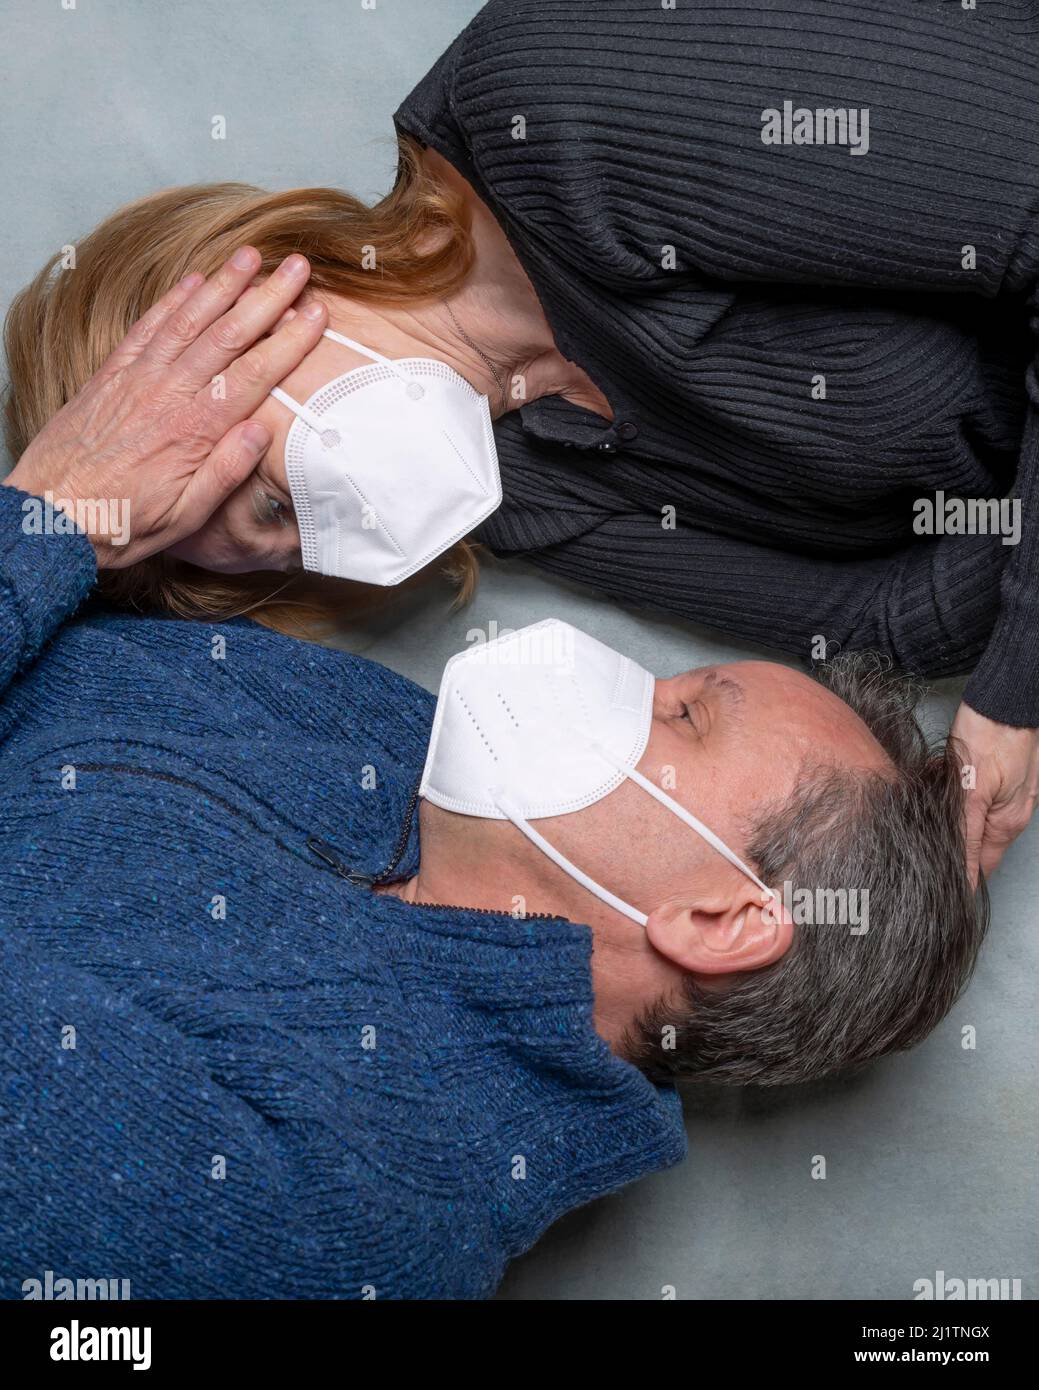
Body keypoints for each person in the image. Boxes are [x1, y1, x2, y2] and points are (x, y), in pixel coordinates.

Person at [0, 255, 987, 1297]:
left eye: (681, 715)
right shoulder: (401, 751)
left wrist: (47, 517)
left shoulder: (314, 1214)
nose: (604, 673)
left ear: (717, 919)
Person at [5, 2, 1037, 883]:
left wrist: (1017, 669)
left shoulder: (551, 104)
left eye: (276, 497)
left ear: (250, 293)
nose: (357, 532)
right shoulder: (509, 490)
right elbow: (888, 621)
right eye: (293, 550)